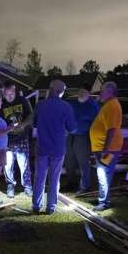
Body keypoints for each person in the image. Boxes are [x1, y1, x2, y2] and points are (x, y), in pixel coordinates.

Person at [31, 79, 77, 214]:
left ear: (50, 90)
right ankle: (51, 207)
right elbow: (72, 128)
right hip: (57, 148)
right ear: (61, 92)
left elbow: (34, 124)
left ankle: (36, 206)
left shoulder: (40, 105)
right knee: (54, 178)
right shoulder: (66, 107)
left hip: (42, 147)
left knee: (39, 178)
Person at [89, 81, 124, 211]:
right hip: (103, 147)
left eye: (102, 90)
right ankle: (103, 199)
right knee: (102, 173)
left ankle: (103, 202)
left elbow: (112, 129)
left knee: (103, 173)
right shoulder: (109, 105)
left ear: (110, 92)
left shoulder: (113, 106)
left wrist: (105, 149)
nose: (100, 93)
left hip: (108, 148)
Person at [0, 80, 34, 198]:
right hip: (7, 140)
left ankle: (27, 186)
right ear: (3, 94)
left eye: (11, 94)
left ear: (15, 92)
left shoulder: (23, 101)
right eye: (6, 94)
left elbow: (31, 115)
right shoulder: (1, 105)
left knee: (24, 164)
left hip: (22, 138)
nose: (9, 97)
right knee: (7, 164)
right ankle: (10, 185)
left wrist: (22, 125)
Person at [65, 83, 100, 193]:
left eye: (84, 92)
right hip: (69, 135)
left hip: (83, 136)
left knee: (83, 162)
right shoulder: (72, 104)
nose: (81, 93)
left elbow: (97, 123)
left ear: (89, 93)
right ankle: (71, 183)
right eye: (80, 91)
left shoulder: (93, 106)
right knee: (69, 161)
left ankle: (85, 186)